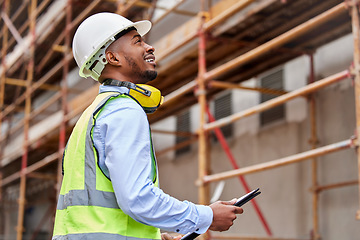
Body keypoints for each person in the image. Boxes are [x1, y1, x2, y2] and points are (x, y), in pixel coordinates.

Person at [52, 12, 243, 240]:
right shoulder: (123, 110)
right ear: (113, 58)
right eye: (137, 41)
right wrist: (206, 216)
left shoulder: (93, 115)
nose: (149, 47)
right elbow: (138, 199)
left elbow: (101, 210)